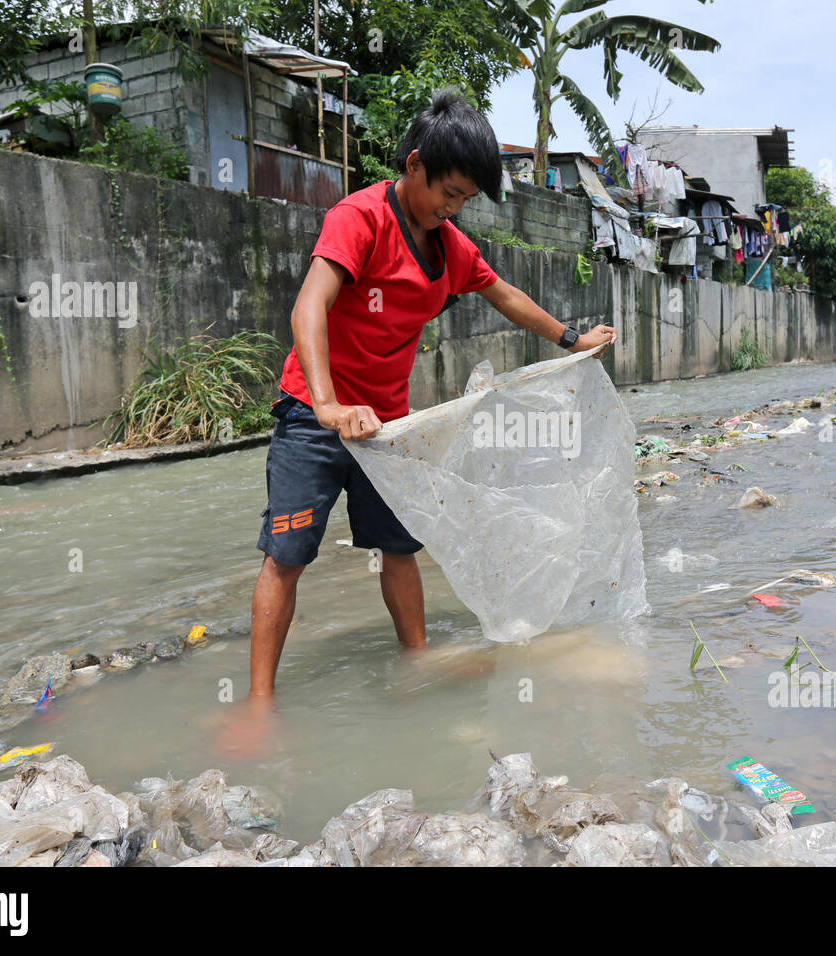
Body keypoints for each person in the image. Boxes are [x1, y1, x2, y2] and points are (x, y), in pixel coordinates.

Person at [248, 88, 616, 707]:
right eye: (449, 193)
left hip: (387, 428)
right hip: (313, 416)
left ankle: (414, 664)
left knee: (400, 548)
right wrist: (329, 404)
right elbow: (309, 306)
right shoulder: (359, 218)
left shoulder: (449, 249)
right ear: (414, 165)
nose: (454, 209)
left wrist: (572, 337)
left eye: (465, 200)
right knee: (286, 556)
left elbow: (503, 295)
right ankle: (258, 706)